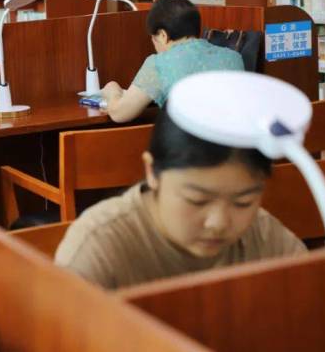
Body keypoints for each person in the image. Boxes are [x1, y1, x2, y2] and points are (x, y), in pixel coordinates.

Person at [54, 109, 306, 290]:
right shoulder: (100, 246)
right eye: (197, 200)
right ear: (152, 172)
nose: (218, 223)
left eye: (243, 202)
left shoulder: (263, 236)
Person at [100, 0, 244, 122]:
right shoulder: (234, 57)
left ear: (163, 35)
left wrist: (112, 89)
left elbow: (120, 113)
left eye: (153, 39)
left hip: (184, 143)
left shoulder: (158, 64)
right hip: (230, 143)